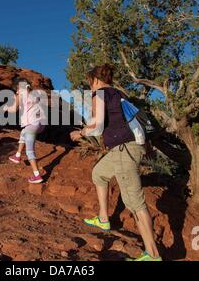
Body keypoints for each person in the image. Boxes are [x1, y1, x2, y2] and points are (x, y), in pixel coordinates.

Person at [70, 63, 162, 261]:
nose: (90, 86)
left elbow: (98, 125)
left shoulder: (100, 94)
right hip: (126, 147)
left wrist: (81, 132)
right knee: (99, 173)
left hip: (124, 150)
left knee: (135, 203)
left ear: (94, 80)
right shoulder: (118, 93)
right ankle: (104, 219)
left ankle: (152, 255)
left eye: (89, 82)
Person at [4, 79, 46, 184]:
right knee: (23, 132)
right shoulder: (34, 94)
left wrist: (6, 107)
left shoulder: (21, 95)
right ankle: (17, 156)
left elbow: (13, 109)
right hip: (41, 124)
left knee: (29, 150)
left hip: (32, 125)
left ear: (19, 88)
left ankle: (37, 175)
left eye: (16, 89)